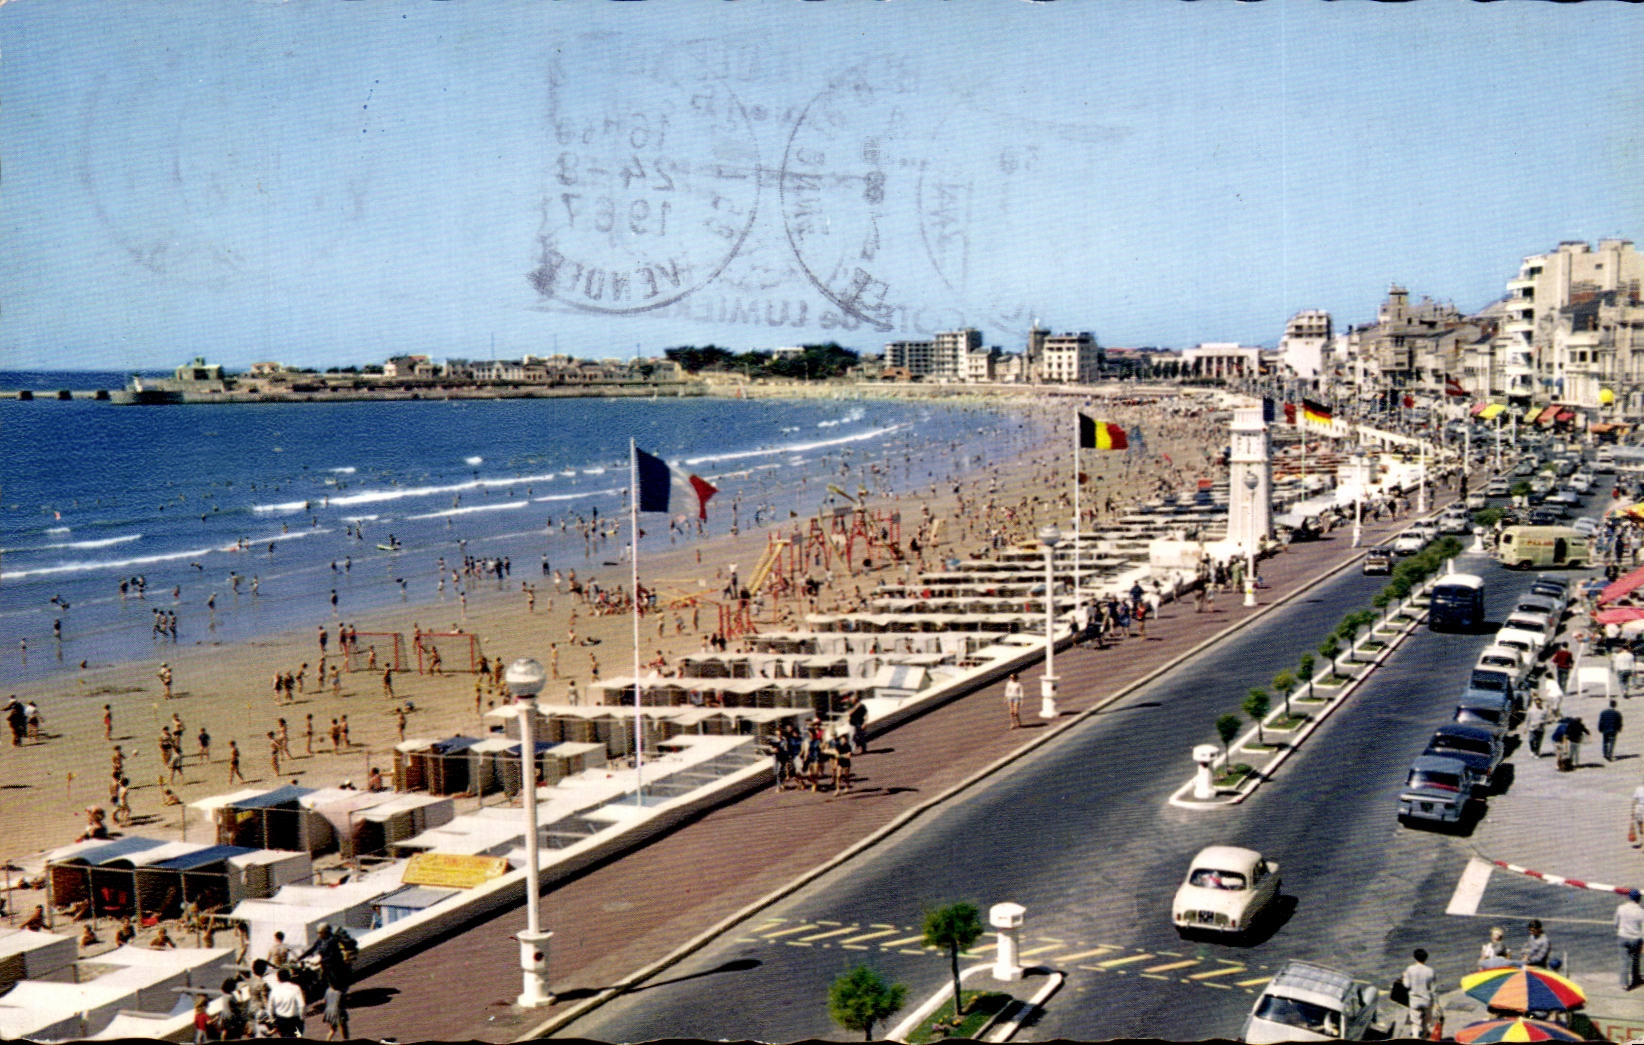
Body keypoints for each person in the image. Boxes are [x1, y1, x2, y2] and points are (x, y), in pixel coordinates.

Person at [1402, 948, 1437, 1038]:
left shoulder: (1410, 969)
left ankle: (1415, 1036)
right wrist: (1436, 1003)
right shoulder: (1430, 971)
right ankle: (1425, 1034)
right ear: (1426, 958)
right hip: (1426, 1000)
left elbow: (1407, 985)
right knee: (1427, 1020)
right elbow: (1433, 989)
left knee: (1415, 1022)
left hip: (1414, 1000)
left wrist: (1404, 976)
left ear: (1415, 958)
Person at [267, 967, 306, 1037]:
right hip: (295, 1020)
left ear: (278, 979)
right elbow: (302, 1005)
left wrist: (273, 1021)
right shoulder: (296, 988)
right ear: (289, 977)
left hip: (281, 1022)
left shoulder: (274, 991)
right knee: (298, 1037)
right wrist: (302, 1018)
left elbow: (270, 1008)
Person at [1618, 888, 1644, 989]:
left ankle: (1624, 983)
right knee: (1635, 959)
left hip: (1623, 937)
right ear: (1639, 899)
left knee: (1624, 961)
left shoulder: (1621, 908)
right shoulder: (1641, 912)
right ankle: (1636, 978)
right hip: (1636, 938)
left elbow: (1616, 922)